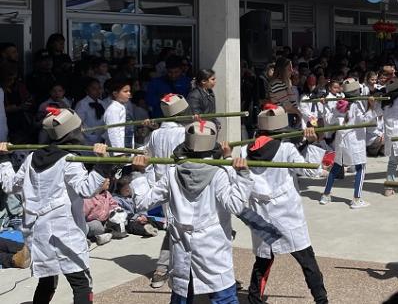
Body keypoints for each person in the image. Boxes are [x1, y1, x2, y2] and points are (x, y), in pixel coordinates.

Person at [130, 121, 253, 304]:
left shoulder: (172, 173)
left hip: (183, 246)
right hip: (212, 248)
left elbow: (142, 201)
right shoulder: (218, 172)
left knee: (182, 295)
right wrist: (242, 175)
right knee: (223, 297)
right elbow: (235, 205)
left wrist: (138, 173)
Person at [0, 108, 112, 304]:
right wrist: (103, 163)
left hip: (39, 231)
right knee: (81, 284)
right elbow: (86, 189)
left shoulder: (31, 158)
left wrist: (3, 159)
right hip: (65, 231)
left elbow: (9, 185)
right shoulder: (70, 160)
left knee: (47, 280)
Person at [236, 106, 329, 304]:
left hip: (260, 214)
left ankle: (254, 300)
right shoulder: (286, 149)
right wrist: (312, 143)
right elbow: (311, 172)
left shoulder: (244, 150)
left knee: (263, 262)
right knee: (307, 261)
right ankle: (322, 301)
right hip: (286, 213)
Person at [140, 93, 191, 288]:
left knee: (175, 226)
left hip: (162, 185)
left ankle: (163, 269)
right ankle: (164, 268)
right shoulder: (185, 132)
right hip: (182, 184)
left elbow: (146, 153)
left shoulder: (155, 134)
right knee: (180, 227)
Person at [320, 77, 375, 209]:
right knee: (361, 168)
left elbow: (328, 119)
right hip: (354, 141)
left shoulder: (337, 104)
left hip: (341, 141)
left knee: (336, 166)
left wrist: (325, 105)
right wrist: (371, 107)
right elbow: (365, 120)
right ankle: (356, 199)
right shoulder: (355, 105)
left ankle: (325, 195)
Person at [104, 77, 134, 148]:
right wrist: (119, 153)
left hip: (126, 146)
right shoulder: (113, 109)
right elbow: (114, 132)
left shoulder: (123, 107)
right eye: (125, 91)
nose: (129, 93)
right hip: (119, 151)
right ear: (115, 94)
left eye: (129, 91)